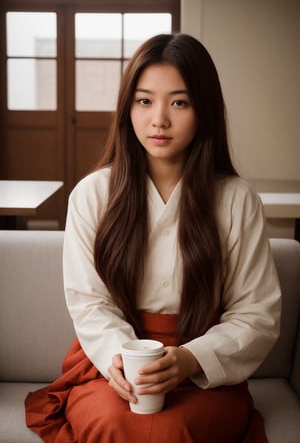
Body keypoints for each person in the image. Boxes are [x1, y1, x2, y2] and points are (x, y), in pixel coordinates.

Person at [25, 33, 281, 442]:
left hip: (202, 367)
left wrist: (190, 359)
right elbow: (90, 303)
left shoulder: (236, 199)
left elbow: (256, 314)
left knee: (176, 428)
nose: (158, 119)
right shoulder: (93, 194)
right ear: (128, 108)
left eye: (179, 102)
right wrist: (124, 359)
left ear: (204, 111)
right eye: (144, 101)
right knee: (110, 422)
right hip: (113, 363)